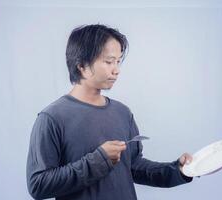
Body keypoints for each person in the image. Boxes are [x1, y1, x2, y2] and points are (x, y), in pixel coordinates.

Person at [26, 24, 193, 200]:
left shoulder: (122, 112)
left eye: (118, 61)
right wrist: (97, 161)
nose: (116, 70)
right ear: (81, 65)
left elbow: (134, 167)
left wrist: (178, 170)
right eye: (108, 61)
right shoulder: (52, 118)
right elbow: (38, 185)